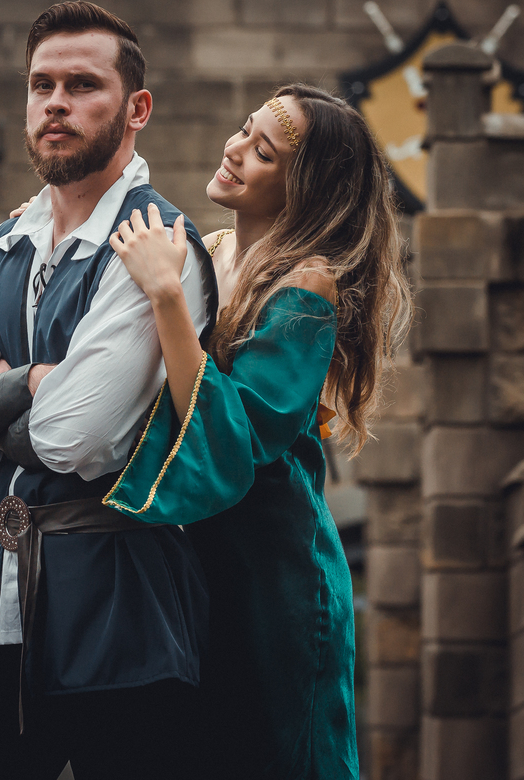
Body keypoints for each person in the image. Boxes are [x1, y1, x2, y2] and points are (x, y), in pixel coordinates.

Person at [0, 1, 219, 780]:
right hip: (6, 596)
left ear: (136, 108)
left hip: (126, 609)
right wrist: (35, 382)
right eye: (41, 85)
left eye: (83, 85)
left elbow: (75, 439)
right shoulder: (1, 245)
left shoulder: (158, 247)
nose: (56, 103)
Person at [101, 85, 411, 778]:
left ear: (306, 189)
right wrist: (45, 225)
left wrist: (168, 296)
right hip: (200, 563)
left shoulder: (309, 287)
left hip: (277, 576)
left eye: (264, 151)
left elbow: (233, 437)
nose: (235, 149)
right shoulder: (206, 250)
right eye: (244, 130)